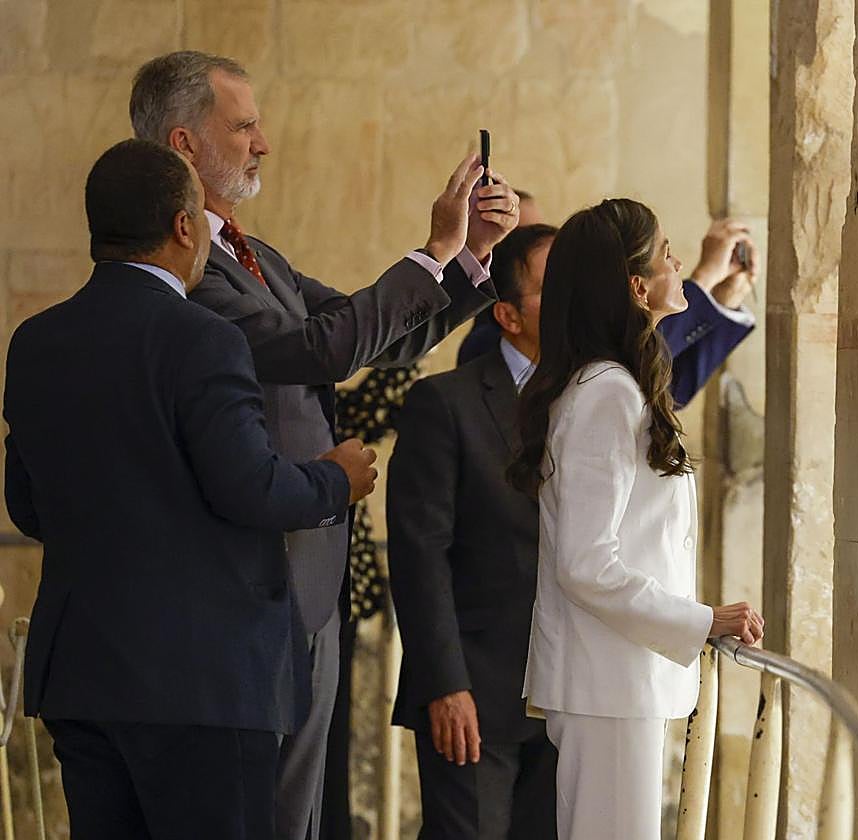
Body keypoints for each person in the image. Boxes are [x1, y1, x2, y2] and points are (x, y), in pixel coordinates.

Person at [129, 50, 519, 840]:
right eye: (244, 127)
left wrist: (469, 256)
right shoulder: (190, 273)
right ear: (183, 145)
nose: (264, 142)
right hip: (253, 579)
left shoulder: (253, 252)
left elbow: (374, 336)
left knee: (300, 807)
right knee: (262, 810)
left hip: (307, 577)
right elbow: (322, 352)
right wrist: (435, 249)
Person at [3, 139, 378, 839]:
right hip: (203, 682)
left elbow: (26, 502)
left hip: (84, 672)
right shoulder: (201, 338)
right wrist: (336, 479)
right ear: (183, 226)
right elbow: (252, 490)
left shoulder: (36, 340)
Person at [508, 198, 764, 839]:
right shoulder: (607, 395)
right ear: (635, 285)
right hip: (608, 685)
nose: (679, 261)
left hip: (617, 681)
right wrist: (702, 619)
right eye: (666, 252)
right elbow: (586, 564)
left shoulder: (612, 384)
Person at [386, 224, 558, 839]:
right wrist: (445, 685)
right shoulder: (445, 403)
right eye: (555, 286)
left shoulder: (598, 401)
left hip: (572, 697)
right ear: (508, 314)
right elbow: (419, 554)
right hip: (473, 697)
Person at [457, 203, 758, 408]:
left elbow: (667, 387)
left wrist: (722, 299)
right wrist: (702, 281)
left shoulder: (597, 363)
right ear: (508, 316)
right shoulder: (482, 351)